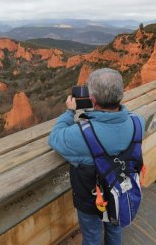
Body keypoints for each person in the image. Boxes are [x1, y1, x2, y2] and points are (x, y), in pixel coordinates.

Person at [48, 68, 145, 245]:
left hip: (92, 198)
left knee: (92, 235)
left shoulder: (80, 135)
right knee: (115, 227)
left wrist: (70, 112)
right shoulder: (139, 122)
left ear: (92, 100)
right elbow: (119, 127)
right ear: (121, 95)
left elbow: (54, 138)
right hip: (120, 192)